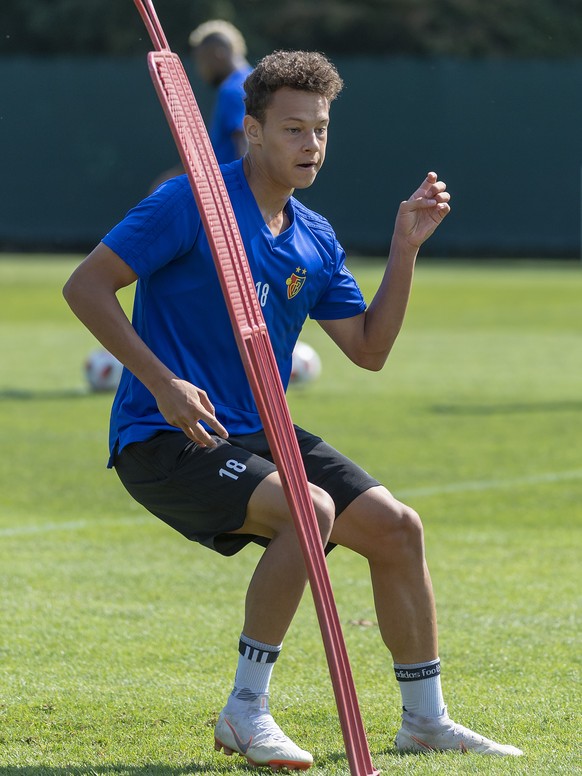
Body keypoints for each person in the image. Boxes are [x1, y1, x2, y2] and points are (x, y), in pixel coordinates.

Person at [63, 50, 523, 770]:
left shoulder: (314, 235)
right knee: (309, 511)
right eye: (292, 130)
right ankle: (245, 712)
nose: (311, 146)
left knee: (399, 529)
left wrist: (404, 250)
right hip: (164, 437)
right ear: (250, 131)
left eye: (321, 130)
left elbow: (368, 348)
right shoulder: (192, 203)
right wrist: (161, 383)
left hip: (258, 431)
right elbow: (86, 286)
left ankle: (426, 722)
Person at [150, 20, 252, 191]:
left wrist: (247, 197)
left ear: (217, 54)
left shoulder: (232, 90)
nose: (200, 70)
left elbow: (245, 145)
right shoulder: (254, 83)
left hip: (232, 195)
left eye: (201, 60)